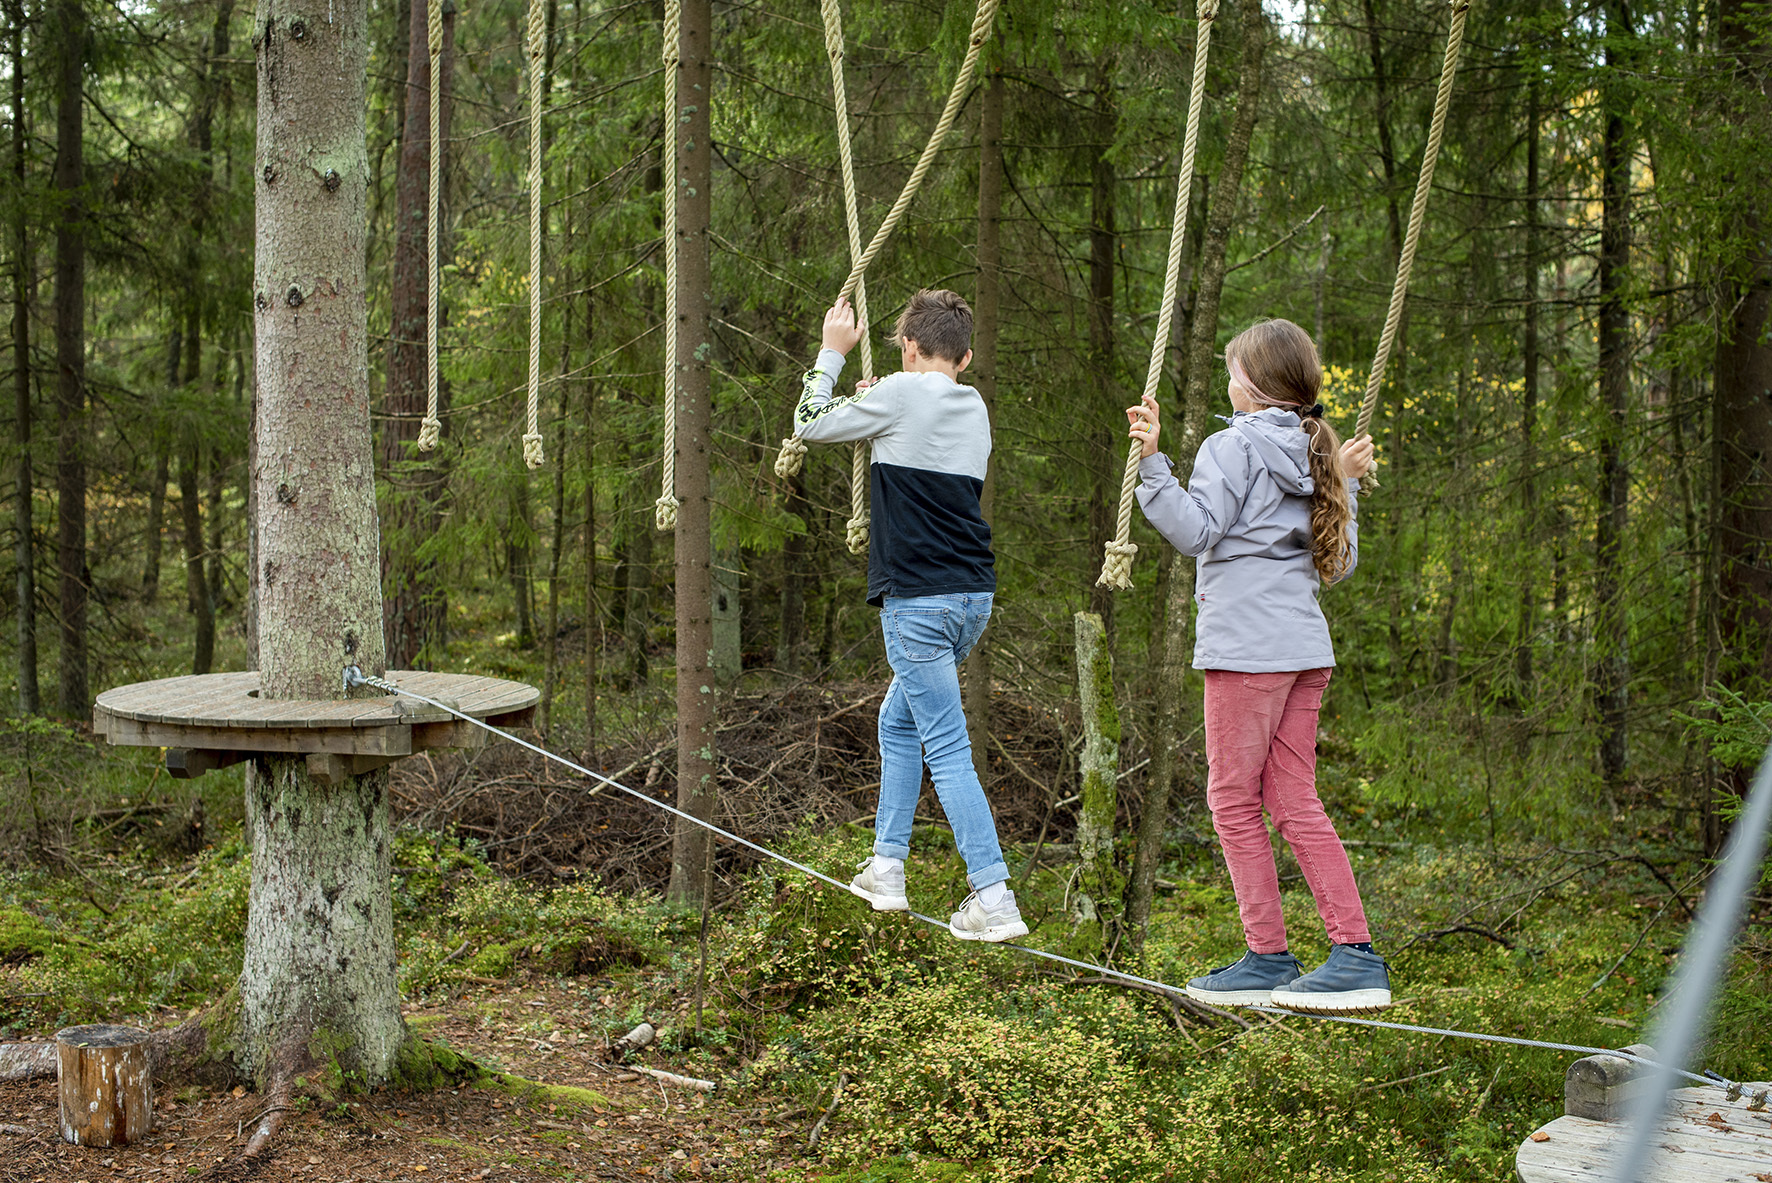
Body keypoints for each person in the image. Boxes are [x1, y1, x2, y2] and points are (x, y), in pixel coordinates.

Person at [1128, 317, 1389, 1013]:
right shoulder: (1318, 451)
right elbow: (1340, 560)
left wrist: (1154, 464)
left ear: (1251, 383)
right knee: (1292, 797)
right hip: (1304, 650)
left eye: (1232, 368)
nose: (1227, 377)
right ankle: (1353, 953)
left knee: (1232, 799)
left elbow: (1195, 530)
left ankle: (1269, 954)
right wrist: (1349, 487)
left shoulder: (1231, 445)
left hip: (1247, 651)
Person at [796, 289, 1026, 943]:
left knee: (948, 750)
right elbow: (909, 425)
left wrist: (831, 354)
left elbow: (809, 422)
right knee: (897, 722)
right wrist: (878, 401)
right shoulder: (973, 405)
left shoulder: (897, 394)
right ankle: (887, 864)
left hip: (918, 603)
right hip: (970, 601)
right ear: (967, 356)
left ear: (907, 347)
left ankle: (994, 893)